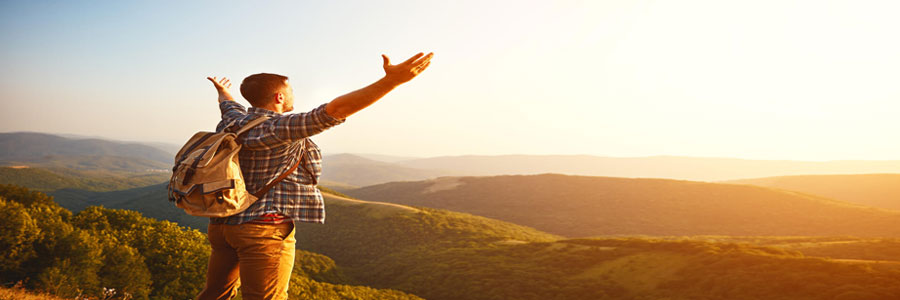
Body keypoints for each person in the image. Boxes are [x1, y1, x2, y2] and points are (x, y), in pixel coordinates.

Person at [196, 52, 434, 300]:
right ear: (279, 97)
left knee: (215, 294)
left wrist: (222, 90)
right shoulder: (278, 128)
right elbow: (335, 110)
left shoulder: (234, 120)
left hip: (222, 226)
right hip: (262, 229)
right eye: (290, 91)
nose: (293, 95)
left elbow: (228, 104)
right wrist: (391, 82)